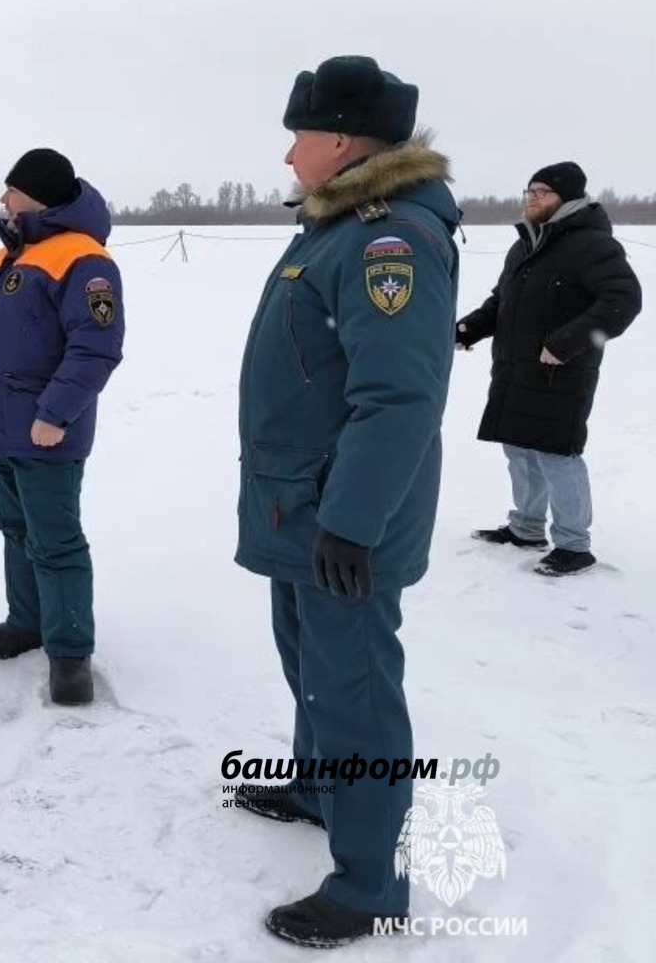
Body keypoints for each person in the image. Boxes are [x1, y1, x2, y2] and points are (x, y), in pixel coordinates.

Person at [232, 56, 460, 947]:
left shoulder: (384, 239)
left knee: (354, 687)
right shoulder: (335, 227)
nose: (289, 156)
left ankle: (371, 885)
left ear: (338, 139)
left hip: (341, 515)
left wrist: (353, 522)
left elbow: (399, 398)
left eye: (298, 137)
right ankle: (318, 786)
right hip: (306, 504)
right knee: (308, 660)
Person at [0, 148, 124, 707]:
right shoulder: (5, 260)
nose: (3, 199)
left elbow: (96, 348)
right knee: (16, 529)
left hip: (48, 434)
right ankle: (26, 623)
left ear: (38, 196)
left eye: (12, 190)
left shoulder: (83, 260)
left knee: (56, 541)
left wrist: (55, 414)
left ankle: (70, 653)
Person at [456, 161, 642, 576]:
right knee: (520, 450)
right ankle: (526, 528)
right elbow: (500, 302)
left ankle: (575, 546)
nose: (532, 198)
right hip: (514, 369)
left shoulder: (593, 245)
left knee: (558, 454)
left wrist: (566, 344)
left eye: (543, 191)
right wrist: (468, 330)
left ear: (569, 199)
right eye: (529, 191)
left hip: (562, 373)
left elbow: (623, 300)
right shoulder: (525, 245)